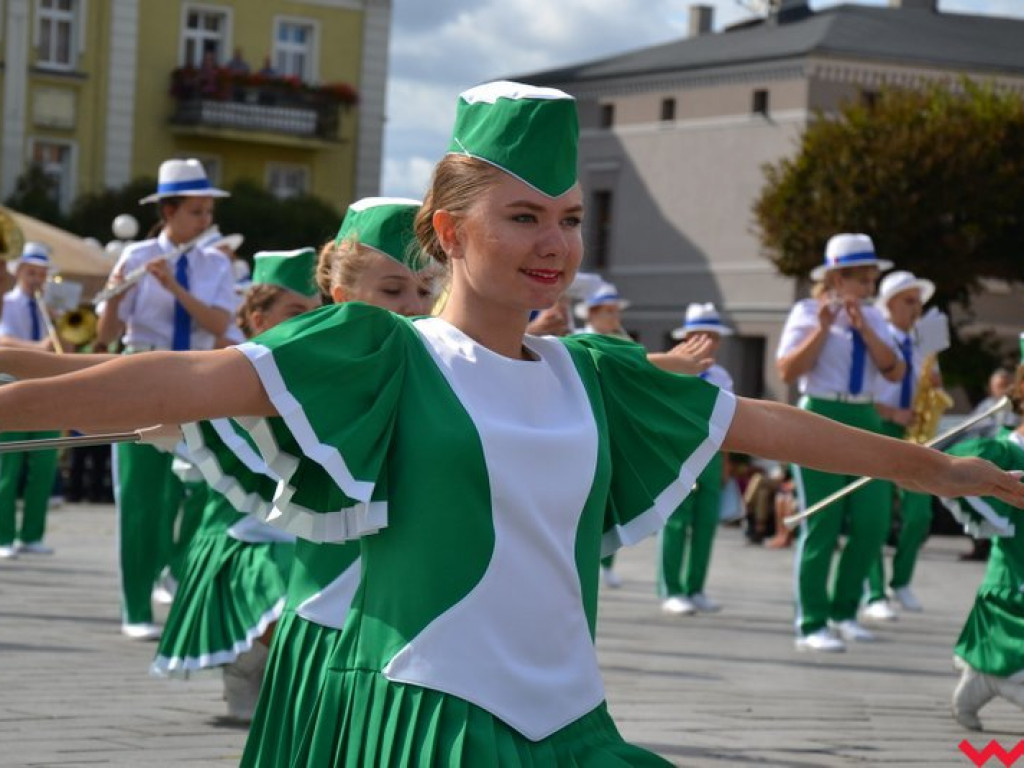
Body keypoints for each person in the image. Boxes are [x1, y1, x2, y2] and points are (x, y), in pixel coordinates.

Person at [0, 81, 1021, 766]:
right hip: (430, 715)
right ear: (450, 232)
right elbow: (163, 380)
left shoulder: (594, 375)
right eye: (523, 216)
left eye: (570, 218)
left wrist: (945, 471)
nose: (554, 244)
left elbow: (774, 425)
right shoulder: (378, 351)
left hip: (569, 720)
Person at [239, 197, 438, 766]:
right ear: (343, 297)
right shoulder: (313, 360)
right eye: (393, 290)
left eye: (426, 290)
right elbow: (180, 378)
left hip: (418, 625)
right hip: (331, 618)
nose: (414, 307)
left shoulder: (448, 362)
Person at [152, 249, 320, 721]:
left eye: (314, 313)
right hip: (241, 529)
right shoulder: (225, 372)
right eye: (295, 313)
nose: (308, 324)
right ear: (258, 317)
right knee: (277, 581)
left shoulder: (320, 373)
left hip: (306, 524)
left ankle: (275, 674)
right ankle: (246, 667)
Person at [95, 157, 236, 640]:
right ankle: (135, 607)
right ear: (169, 211)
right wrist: (114, 296)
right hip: (139, 370)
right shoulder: (133, 257)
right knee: (138, 493)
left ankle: (172, 566)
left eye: (207, 211)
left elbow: (218, 325)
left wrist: (173, 285)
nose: (205, 221)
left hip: (194, 374)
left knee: (202, 483)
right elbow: (107, 333)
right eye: (196, 211)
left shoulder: (216, 262)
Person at [776, 234, 906, 652]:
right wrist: (822, 328)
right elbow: (788, 370)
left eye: (872, 279)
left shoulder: (876, 318)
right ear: (836, 277)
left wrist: (865, 327)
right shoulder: (805, 311)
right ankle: (812, 622)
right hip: (818, 413)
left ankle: (845, 612)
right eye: (862, 279)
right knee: (823, 522)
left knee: (872, 520)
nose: (869, 287)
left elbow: (894, 371)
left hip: (864, 413)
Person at [945, 355, 1024, 731]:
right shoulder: (1005, 454)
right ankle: (990, 678)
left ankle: (983, 681)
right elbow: (953, 463)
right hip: (1015, 586)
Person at [863, 271, 944, 620]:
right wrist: (892, 413)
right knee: (875, 516)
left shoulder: (922, 346)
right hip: (879, 427)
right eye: (910, 301)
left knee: (919, 513)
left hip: (912, 432)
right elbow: (862, 393)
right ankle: (874, 593)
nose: (916, 309)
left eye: (919, 303)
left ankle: (902, 581)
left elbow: (929, 392)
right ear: (890, 303)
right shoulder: (879, 337)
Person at [658, 303, 734, 615]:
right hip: (679, 454)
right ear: (686, 338)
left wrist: (726, 460)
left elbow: (730, 420)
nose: (707, 341)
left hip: (712, 456)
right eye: (700, 334)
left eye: (713, 335)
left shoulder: (722, 376)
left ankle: (696, 588)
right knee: (677, 523)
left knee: (705, 523)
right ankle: (671, 590)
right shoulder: (671, 368)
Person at [0, 243, 60, 558]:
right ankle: (3, 537)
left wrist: (58, 326)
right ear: (19, 272)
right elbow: (4, 339)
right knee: (8, 466)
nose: (37, 279)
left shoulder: (50, 306)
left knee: (44, 466)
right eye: (31, 272)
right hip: (10, 383)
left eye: (42, 273)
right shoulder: (7, 302)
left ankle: (32, 535)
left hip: (46, 387)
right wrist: (40, 346)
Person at [576, 281, 632, 588]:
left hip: (611, 424)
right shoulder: (575, 341)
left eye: (616, 312)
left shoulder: (620, 342)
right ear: (594, 313)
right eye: (608, 311)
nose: (614, 318)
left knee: (610, 496)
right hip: (584, 425)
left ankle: (606, 561)